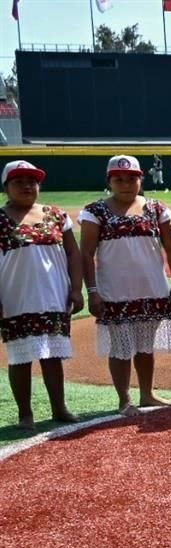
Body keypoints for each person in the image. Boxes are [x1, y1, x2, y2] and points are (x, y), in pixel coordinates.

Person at [79, 156, 171, 417]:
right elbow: (86, 253)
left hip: (152, 288)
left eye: (132, 178)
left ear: (140, 180)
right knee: (121, 348)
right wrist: (92, 292)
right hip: (115, 292)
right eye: (119, 179)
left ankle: (147, 393)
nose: (126, 184)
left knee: (145, 346)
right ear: (109, 181)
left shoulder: (156, 208)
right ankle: (124, 399)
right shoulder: (95, 211)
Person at [0, 161, 83, 428]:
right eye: (18, 181)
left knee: (52, 355)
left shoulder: (56, 214)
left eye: (32, 181)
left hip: (54, 295)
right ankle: (25, 414)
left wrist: (76, 288)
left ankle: (59, 408)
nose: (27, 186)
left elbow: (73, 253)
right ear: (6, 187)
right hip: (16, 298)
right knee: (20, 357)